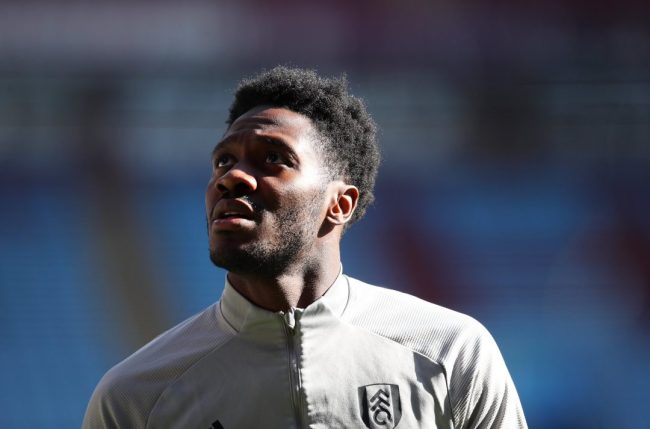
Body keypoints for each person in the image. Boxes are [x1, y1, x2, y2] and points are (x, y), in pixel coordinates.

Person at [83, 66, 527, 429]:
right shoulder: (135, 399)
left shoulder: (450, 354)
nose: (230, 178)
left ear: (339, 204)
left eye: (274, 158)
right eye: (223, 161)